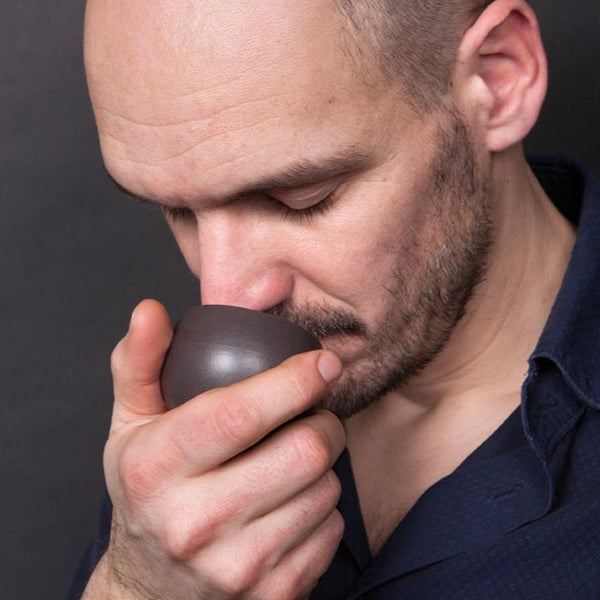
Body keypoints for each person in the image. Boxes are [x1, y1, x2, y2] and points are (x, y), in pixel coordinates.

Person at [69, 0, 600, 598]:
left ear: (499, 79)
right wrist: (132, 586)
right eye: (177, 211)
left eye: (302, 198)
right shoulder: (189, 439)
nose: (226, 297)